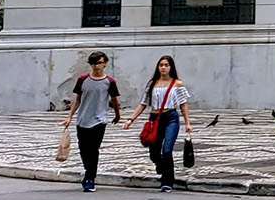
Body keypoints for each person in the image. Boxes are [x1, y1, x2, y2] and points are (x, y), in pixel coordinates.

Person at [124, 54, 190, 192]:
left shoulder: (177, 83)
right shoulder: (152, 84)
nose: (163, 68)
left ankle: (167, 181)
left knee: (167, 150)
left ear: (171, 67)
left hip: (171, 117)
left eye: (166, 65)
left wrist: (188, 123)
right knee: (154, 152)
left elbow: (183, 105)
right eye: (161, 65)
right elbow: (143, 103)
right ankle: (160, 165)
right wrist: (131, 119)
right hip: (154, 118)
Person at [64, 50, 121, 191]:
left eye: (99, 63)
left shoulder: (109, 82)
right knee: (83, 149)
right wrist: (69, 116)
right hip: (83, 119)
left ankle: (90, 178)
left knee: (93, 149)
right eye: (93, 63)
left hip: (99, 119)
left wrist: (117, 114)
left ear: (105, 64)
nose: (96, 66)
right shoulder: (83, 79)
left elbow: (114, 100)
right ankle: (88, 171)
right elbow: (77, 100)